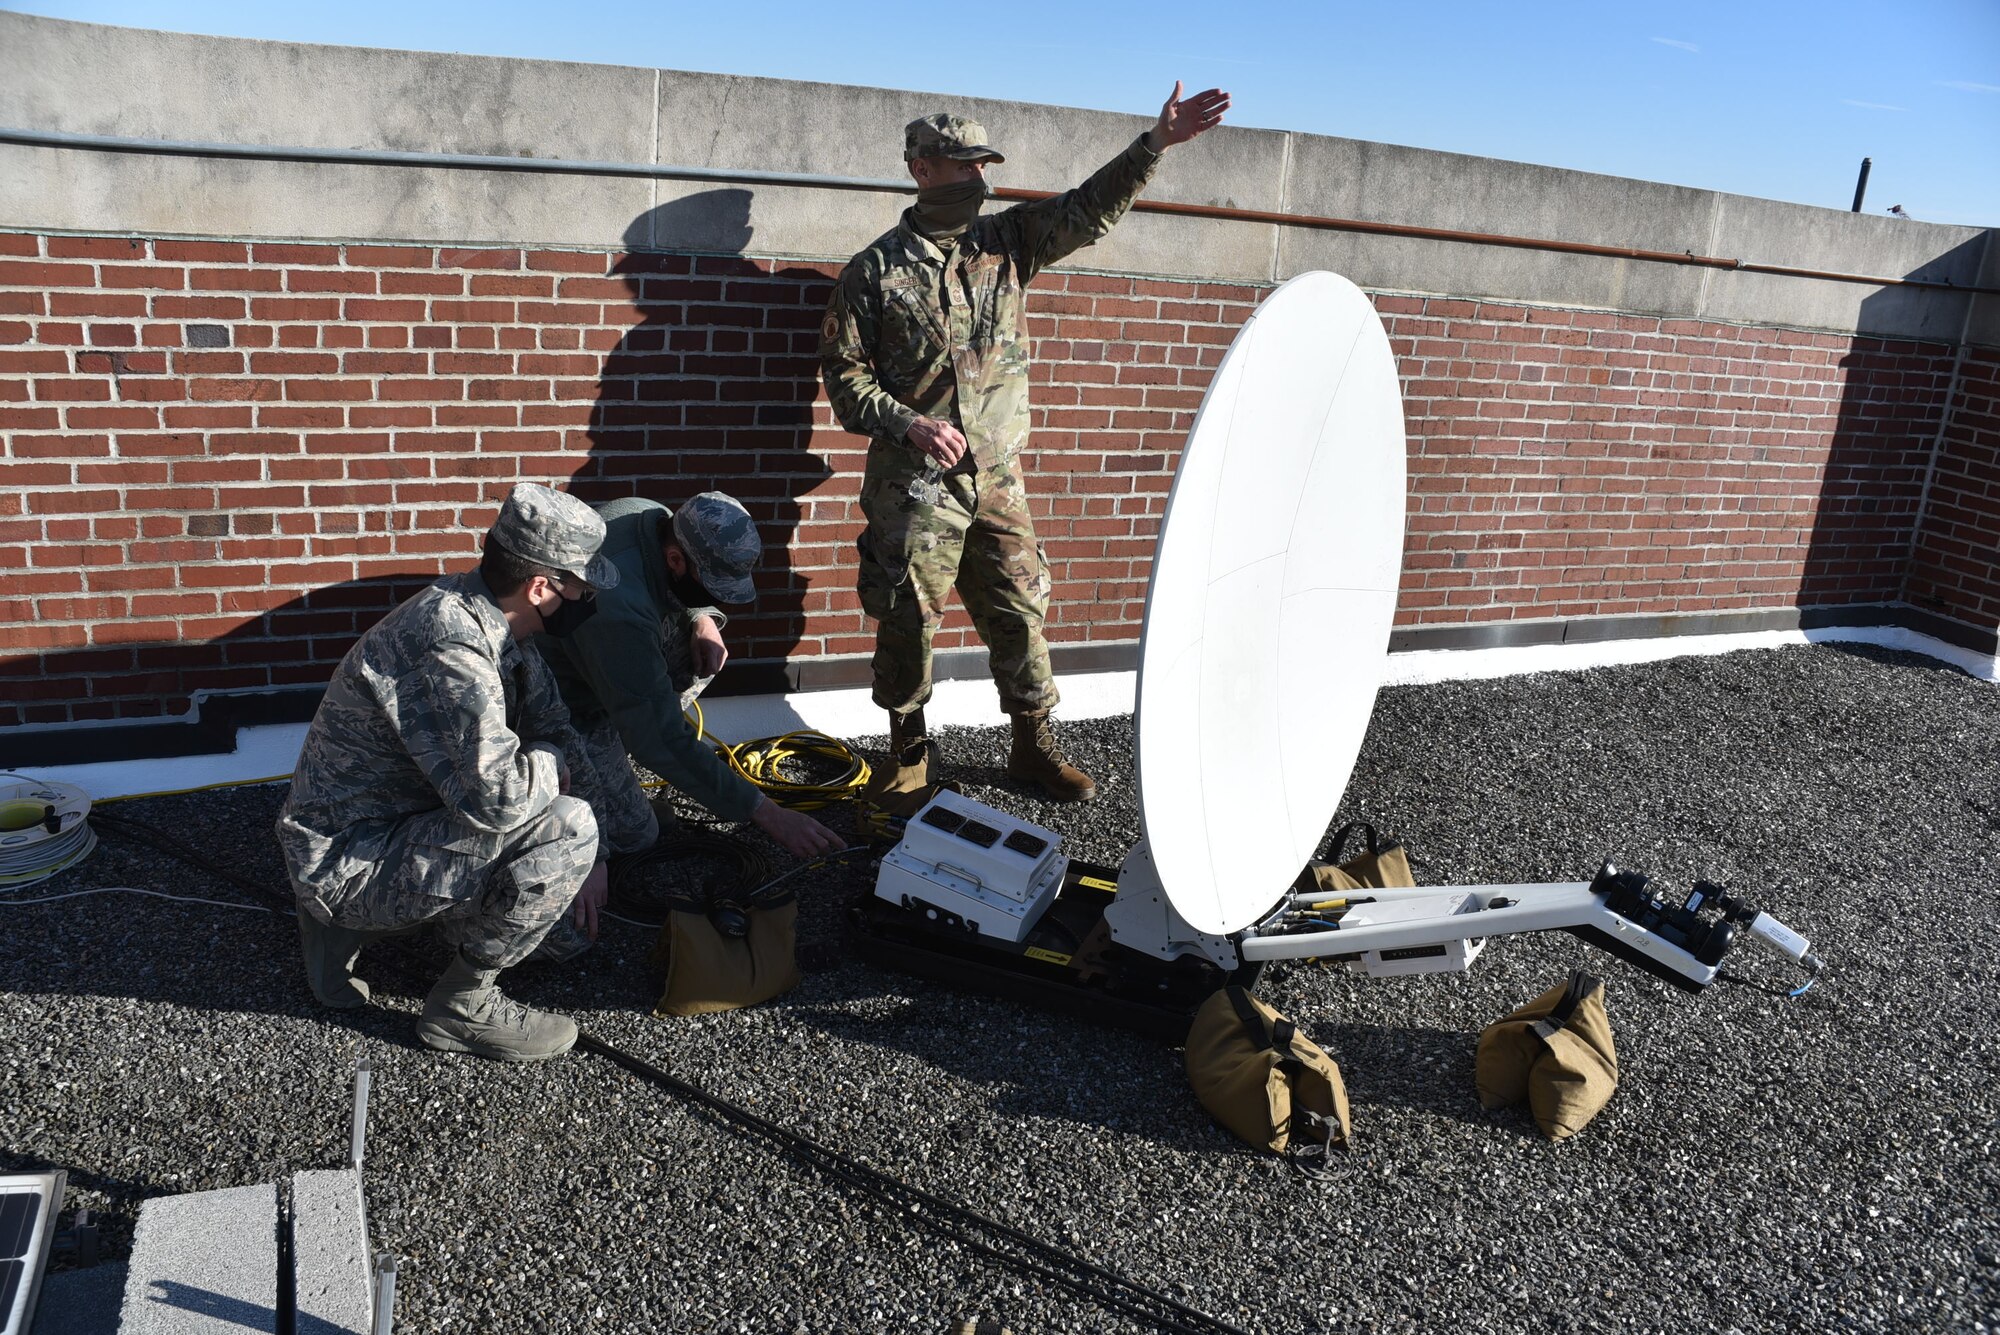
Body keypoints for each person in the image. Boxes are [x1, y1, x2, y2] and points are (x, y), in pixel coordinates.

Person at [820, 82, 1231, 802]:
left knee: (1020, 608)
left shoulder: (1005, 243)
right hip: (916, 486)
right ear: (921, 168)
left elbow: (1088, 209)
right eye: (963, 164)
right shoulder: (874, 272)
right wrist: (906, 421)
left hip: (997, 478)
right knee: (908, 619)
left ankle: (1033, 746)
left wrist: (1154, 145)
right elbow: (845, 377)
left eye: (985, 163)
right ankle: (909, 752)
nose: (981, 176)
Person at [276, 482, 617, 1063]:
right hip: (347, 861)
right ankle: (461, 1006)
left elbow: (559, 728)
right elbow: (501, 803)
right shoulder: (449, 645)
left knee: (564, 939)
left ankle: (374, 929)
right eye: (581, 586)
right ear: (540, 586)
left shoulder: (496, 619)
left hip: (401, 825)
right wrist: (558, 783)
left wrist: (602, 857)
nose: (587, 597)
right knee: (567, 829)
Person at [534, 492, 843, 890]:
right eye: (710, 586)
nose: (717, 597)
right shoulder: (617, 607)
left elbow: (676, 590)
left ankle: (626, 732)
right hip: (561, 710)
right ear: (676, 559)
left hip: (601, 666)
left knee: (701, 654)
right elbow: (661, 738)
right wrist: (769, 813)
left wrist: (702, 618)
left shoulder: (652, 515)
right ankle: (563, 787)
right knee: (637, 835)